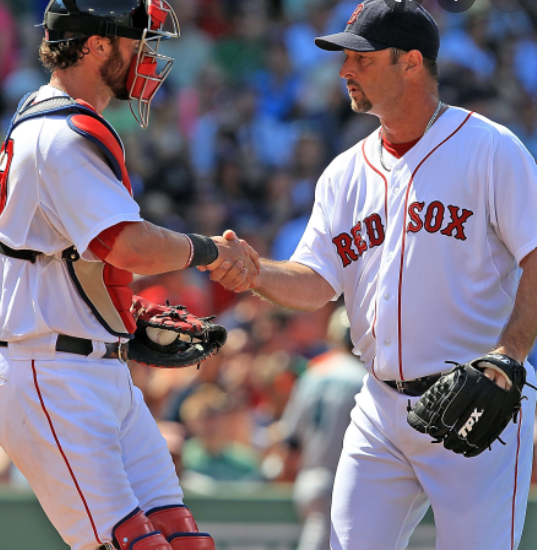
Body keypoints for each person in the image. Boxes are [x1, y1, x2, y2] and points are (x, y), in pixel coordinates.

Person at [205, 1, 537, 548]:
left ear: (410, 62)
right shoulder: (344, 172)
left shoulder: (490, 148)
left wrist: (509, 357)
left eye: (360, 56)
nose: (344, 70)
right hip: (380, 408)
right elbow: (314, 281)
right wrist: (253, 269)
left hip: (479, 401)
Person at [0, 1, 258, 550]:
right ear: (95, 45)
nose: (147, 55)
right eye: (136, 41)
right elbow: (126, 245)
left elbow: (73, 260)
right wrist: (210, 251)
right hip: (53, 370)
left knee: (181, 539)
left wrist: (120, 316)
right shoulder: (58, 135)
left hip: (92, 362)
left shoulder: (55, 121)